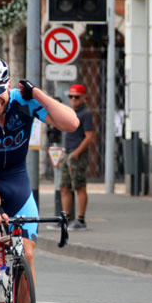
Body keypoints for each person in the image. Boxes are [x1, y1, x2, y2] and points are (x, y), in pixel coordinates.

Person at [0, 56, 78, 303]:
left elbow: (71, 123)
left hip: (17, 181)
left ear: (9, 84)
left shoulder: (24, 102)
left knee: (27, 254)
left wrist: (37, 93)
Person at [59, 84, 95, 230]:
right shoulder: (70, 112)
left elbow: (89, 136)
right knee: (64, 187)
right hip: (68, 152)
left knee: (79, 186)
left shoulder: (85, 113)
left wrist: (76, 153)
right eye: (71, 96)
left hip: (76, 154)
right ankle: (66, 219)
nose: (73, 99)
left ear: (84, 97)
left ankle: (80, 220)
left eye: (77, 97)